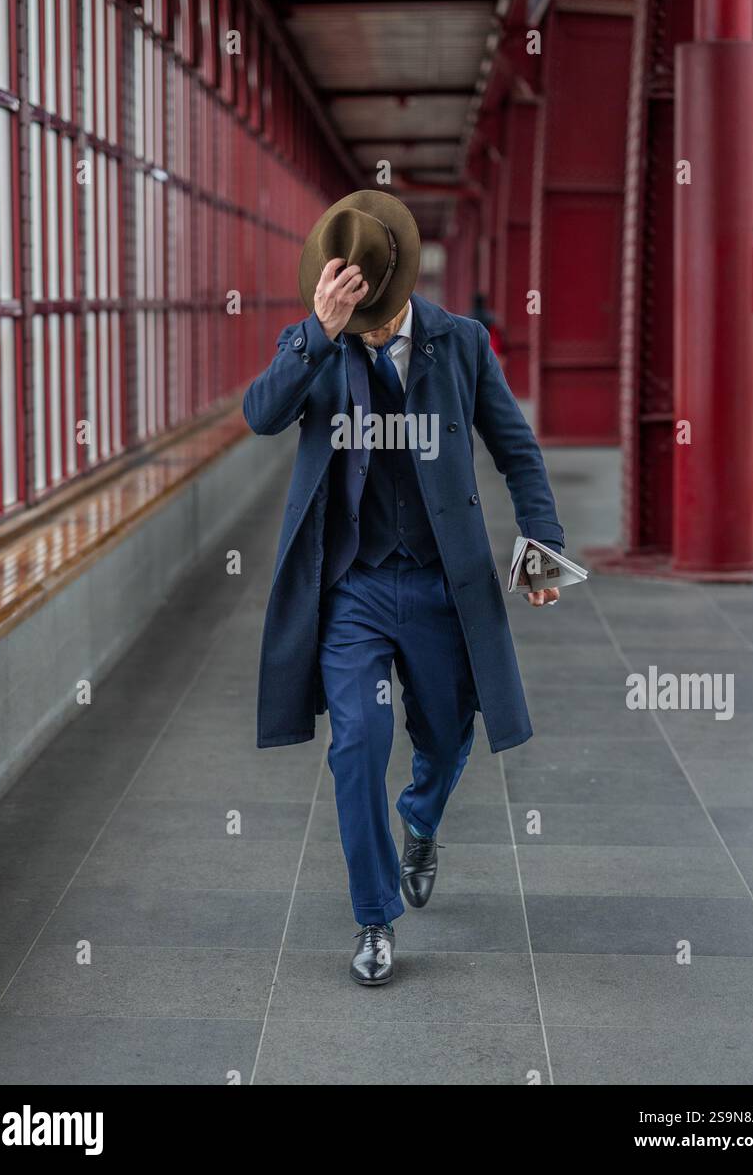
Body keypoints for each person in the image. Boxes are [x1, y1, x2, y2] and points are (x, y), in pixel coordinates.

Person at [243, 191, 563, 986]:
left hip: (440, 585)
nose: (367, 329)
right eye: (352, 316)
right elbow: (260, 415)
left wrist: (541, 554)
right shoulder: (317, 342)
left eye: (375, 317)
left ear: (401, 288)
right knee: (357, 744)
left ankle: (420, 815)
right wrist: (315, 335)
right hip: (350, 589)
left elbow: (516, 452)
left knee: (450, 732)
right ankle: (374, 918)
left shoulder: (459, 345)